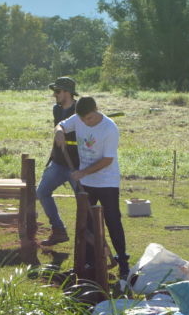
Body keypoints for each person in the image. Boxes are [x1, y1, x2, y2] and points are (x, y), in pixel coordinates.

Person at [56, 96, 130, 280]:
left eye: (88, 118)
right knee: (86, 222)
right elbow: (62, 125)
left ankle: (123, 262)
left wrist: (83, 172)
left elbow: (107, 160)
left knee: (113, 221)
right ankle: (89, 262)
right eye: (82, 119)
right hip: (87, 183)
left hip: (107, 182)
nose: (85, 122)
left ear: (96, 110)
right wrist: (59, 131)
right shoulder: (78, 118)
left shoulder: (109, 128)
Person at [36, 76, 80, 246]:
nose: (54, 95)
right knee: (42, 192)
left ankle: (88, 237)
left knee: (84, 201)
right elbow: (58, 128)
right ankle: (58, 230)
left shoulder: (80, 110)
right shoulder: (56, 109)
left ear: (67, 92)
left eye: (57, 91)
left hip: (77, 165)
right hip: (59, 161)